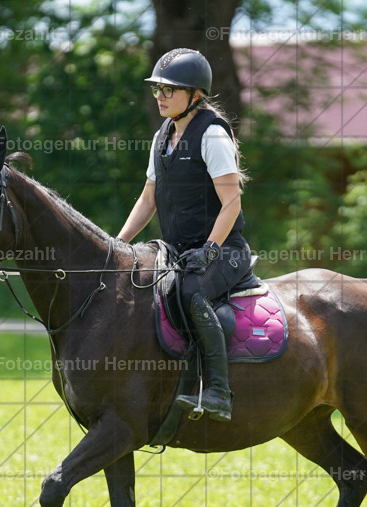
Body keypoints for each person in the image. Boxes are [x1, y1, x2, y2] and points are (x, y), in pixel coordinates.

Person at [117, 48, 254, 422]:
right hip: (178, 250)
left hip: (226, 252)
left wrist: (210, 250)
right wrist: (119, 243)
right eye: (156, 89)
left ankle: (218, 392)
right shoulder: (162, 136)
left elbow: (232, 204)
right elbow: (148, 200)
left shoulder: (211, 135)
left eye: (168, 90)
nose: (159, 96)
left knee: (191, 291)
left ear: (195, 94)